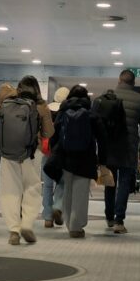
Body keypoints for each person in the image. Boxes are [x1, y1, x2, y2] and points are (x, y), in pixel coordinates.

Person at [0, 77, 54, 245]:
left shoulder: (7, 101)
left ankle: (14, 230)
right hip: (31, 153)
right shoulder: (40, 105)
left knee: (9, 191)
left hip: (7, 154)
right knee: (32, 188)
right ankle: (27, 224)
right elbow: (49, 133)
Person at [93, 69, 140, 234]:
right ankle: (119, 220)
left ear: (119, 80)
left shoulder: (107, 96)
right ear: (133, 83)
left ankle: (109, 217)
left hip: (109, 146)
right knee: (124, 183)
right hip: (129, 147)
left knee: (109, 182)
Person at [53, 85, 107, 238]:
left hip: (66, 157)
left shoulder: (62, 112)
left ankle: (70, 224)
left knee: (68, 190)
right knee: (80, 193)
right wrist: (102, 161)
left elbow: (54, 134)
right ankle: (76, 226)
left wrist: (55, 154)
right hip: (85, 158)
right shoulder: (91, 114)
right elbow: (102, 139)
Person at [42, 86, 69, 228]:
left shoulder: (46, 110)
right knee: (62, 181)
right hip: (62, 153)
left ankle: (47, 217)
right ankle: (57, 207)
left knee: (47, 184)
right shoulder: (68, 112)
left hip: (47, 151)